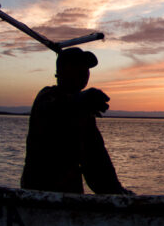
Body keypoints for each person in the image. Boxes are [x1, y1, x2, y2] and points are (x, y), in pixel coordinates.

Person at [21, 47, 132, 195]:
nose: (84, 71)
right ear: (62, 71)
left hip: (71, 195)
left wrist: (117, 193)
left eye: (86, 67)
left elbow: (96, 160)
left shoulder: (84, 113)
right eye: (77, 66)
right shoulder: (47, 98)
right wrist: (82, 99)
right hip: (38, 194)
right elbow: (57, 108)